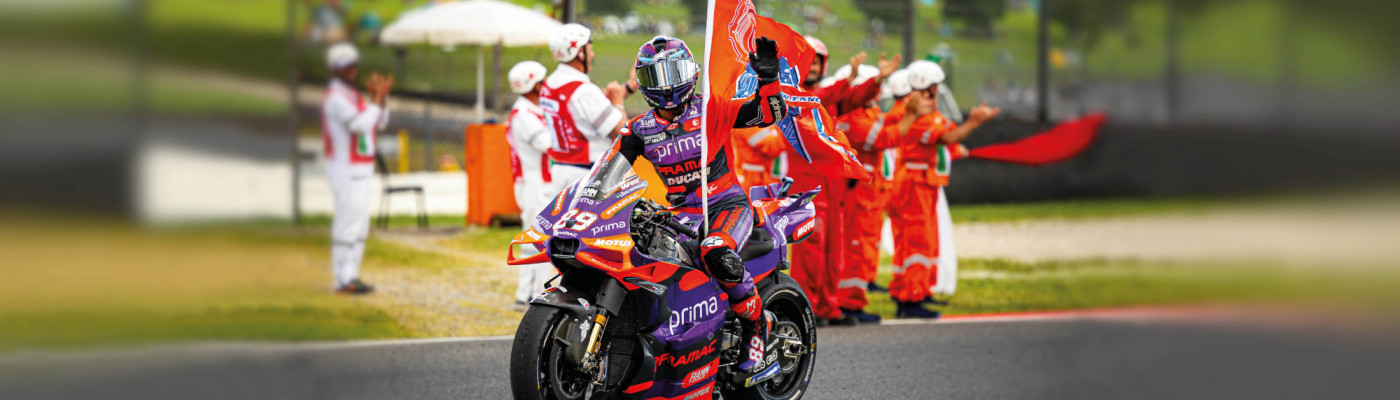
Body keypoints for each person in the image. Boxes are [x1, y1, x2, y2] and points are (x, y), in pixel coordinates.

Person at [616, 35, 787, 372]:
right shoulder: (637, 129)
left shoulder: (713, 108)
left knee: (714, 250)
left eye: (673, 73)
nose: (665, 87)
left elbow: (771, 113)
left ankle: (757, 327)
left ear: (690, 71)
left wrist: (769, 79)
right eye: (655, 77)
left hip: (727, 206)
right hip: (678, 217)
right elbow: (606, 173)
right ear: (642, 81)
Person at [787, 37, 900, 325]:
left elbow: (851, 99)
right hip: (808, 188)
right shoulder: (790, 96)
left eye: (817, 61)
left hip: (832, 185)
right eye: (807, 61)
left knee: (833, 250)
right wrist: (848, 79)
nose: (812, 67)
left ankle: (827, 307)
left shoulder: (829, 98)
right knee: (811, 250)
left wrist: (876, 82)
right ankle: (808, 307)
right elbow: (821, 98)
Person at [886, 61, 999, 318]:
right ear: (925, 88)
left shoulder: (925, 113)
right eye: (934, 88)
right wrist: (974, 123)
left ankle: (915, 291)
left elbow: (949, 136)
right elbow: (948, 137)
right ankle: (910, 299)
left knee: (920, 242)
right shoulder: (916, 116)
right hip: (914, 184)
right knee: (917, 243)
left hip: (922, 183)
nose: (936, 93)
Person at [321, 42, 393, 295]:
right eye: (345, 66)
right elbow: (361, 126)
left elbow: (379, 122)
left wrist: (380, 100)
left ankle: (352, 274)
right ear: (335, 70)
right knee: (348, 222)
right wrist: (374, 101)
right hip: (344, 166)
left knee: (360, 224)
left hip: (361, 165)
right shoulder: (336, 98)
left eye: (353, 65)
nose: (351, 70)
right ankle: (343, 277)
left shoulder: (353, 96)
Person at [832, 66, 901, 323]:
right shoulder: (852, 116)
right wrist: (911, 115)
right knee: (854, 248)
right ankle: (849, 303)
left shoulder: (866, 112)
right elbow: (881, 139)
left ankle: (854, 299)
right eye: (872, 86)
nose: (877, 92)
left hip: (867, 191)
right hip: (856, 192)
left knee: (863, 247)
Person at [541, 23, 631, 196]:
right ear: (579, 52)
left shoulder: (549, 84)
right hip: (585, 173)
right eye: (589, 49)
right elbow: (621, 130)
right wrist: (619, 101)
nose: (592, 54)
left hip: (560, 169)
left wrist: (628, 88)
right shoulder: (583, 91)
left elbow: (585, 114)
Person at [505, 60, 556, 306]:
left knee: (539, 238)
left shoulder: (530, 110)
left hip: (538, 182)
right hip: (533, 183)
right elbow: (547, 143)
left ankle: (529, 293)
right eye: (542, 81)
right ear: (534, 84)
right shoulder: (524, 114)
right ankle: (530, 294)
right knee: (539, 239)